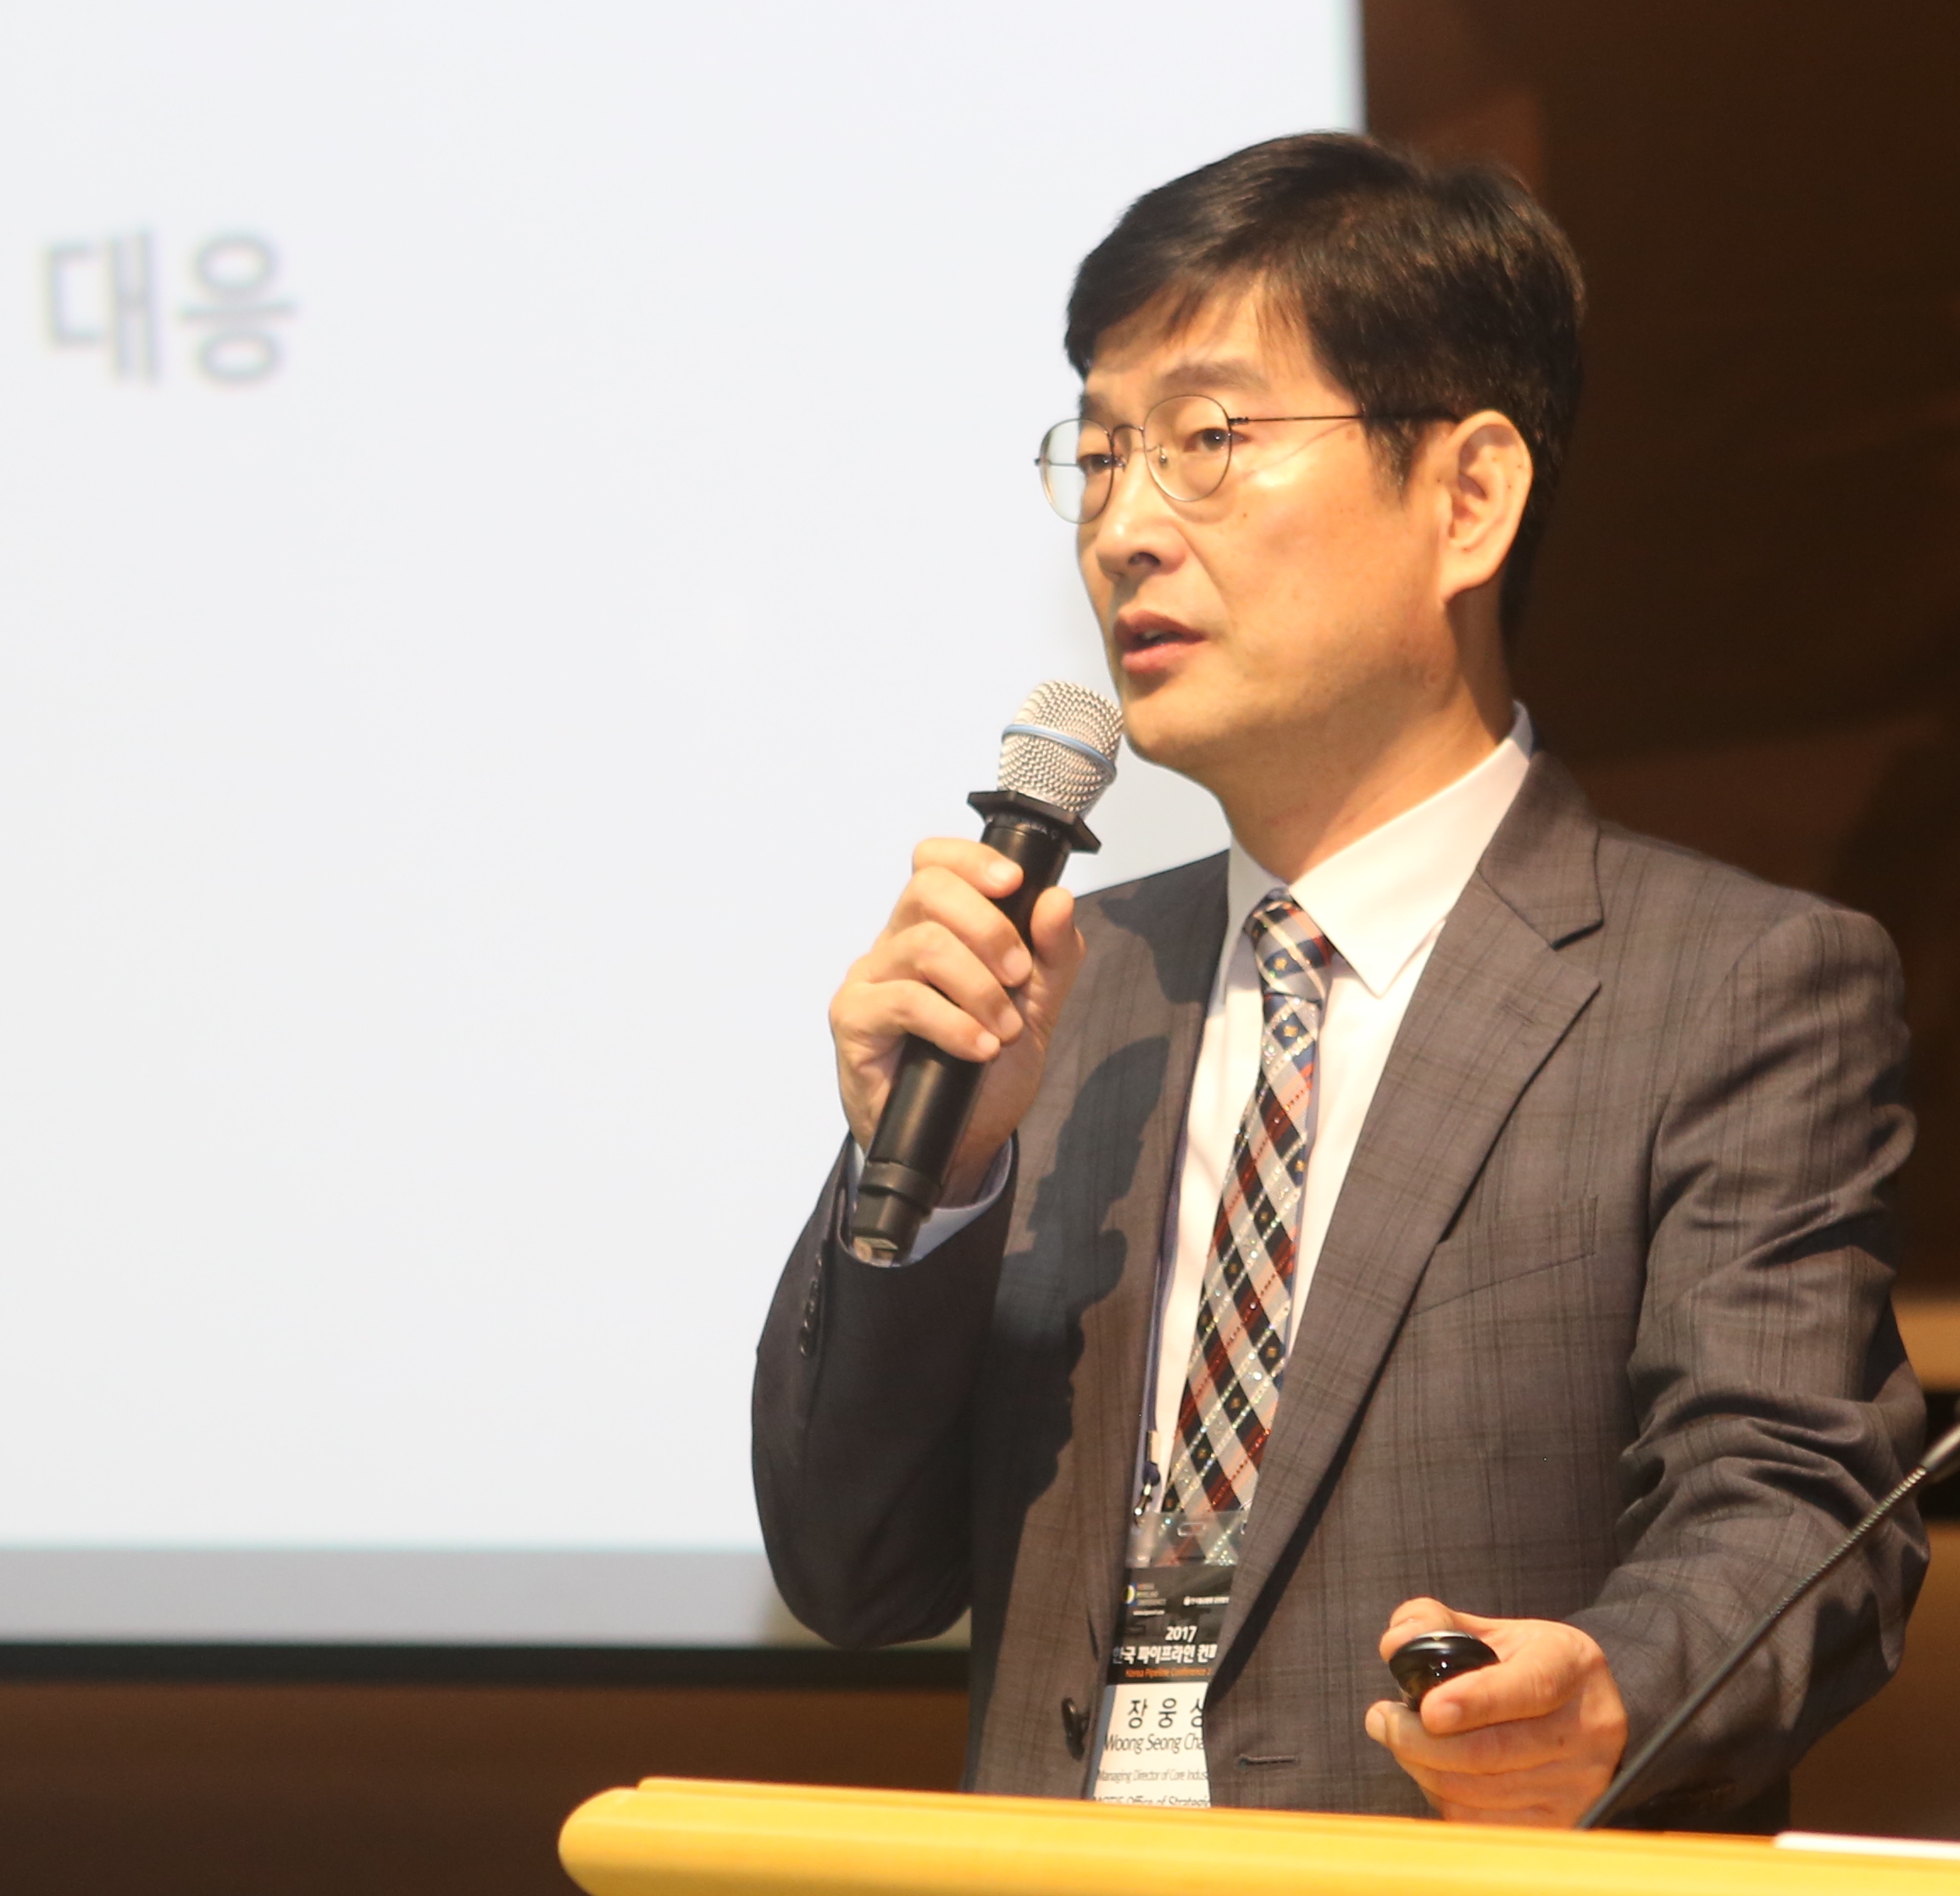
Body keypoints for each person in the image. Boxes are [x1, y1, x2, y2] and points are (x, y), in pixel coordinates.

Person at [752, 133, 1926, 1830]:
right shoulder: (1057, 989)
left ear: (1468, 499)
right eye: (1099, 456)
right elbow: (850, 1567)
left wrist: (1610, 1687)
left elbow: (1796, 1502)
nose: (1125, 530)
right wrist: (928, 1175)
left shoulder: (1730, 987)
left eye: (1207, 443)